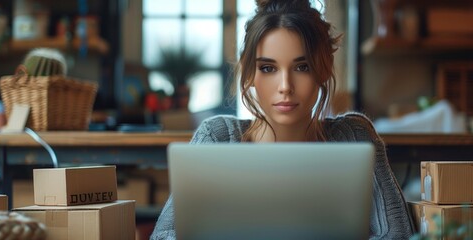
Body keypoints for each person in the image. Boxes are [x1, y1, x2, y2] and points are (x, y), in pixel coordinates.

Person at [150, 0, 415, 239]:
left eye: (302, 67)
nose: (285, 86)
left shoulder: (356, 135)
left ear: (323, 69)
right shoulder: (216, 137)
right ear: (250, 73)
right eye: (268, 68)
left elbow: (398, 235)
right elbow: (164, 236)